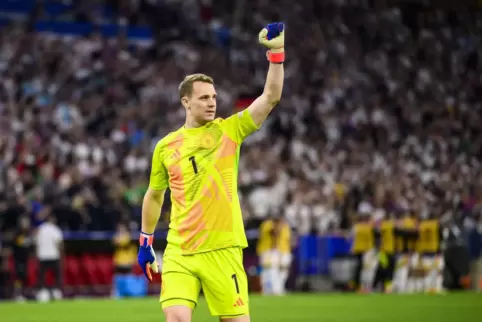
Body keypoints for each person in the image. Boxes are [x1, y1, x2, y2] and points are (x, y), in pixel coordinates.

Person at [137, 22, 285, 322]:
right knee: (176, 318)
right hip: (180, 250)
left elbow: (270, 97)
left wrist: (277, 53)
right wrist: (145, 241)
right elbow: (154, 195)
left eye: (214, 97)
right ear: (186, 102)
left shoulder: (229, 131)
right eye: (204, 98)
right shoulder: (166, 147)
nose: (212, 102)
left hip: (223, 249)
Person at [257, 214, 292, 295]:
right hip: (267, 250)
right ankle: (269, 290)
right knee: (270, 270)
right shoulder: (267, 224)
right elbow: (273, 233)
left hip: (282, 251)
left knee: (282, 270)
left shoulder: (285, 226)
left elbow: (287, 239)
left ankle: (279, 288)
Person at [35, 214, 64, 302]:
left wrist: (37, 254)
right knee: (57, 275)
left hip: (42, 256)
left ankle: (42, 292)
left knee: (41, 276)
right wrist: (62, 254)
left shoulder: (40, 229)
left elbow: (37, 243)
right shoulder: (55, 229)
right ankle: (57, 292)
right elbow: (59, 243)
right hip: (53, 255)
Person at [12, 216, 33, 301]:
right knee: (18, 277)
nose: (26, 224)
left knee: (23, 276)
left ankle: (21, 294)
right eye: (25, 223)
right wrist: (30, 240)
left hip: (24, 259)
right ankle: (17, 294)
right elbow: (21, 242)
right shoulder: (18, 233)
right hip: (18, 259)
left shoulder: (26, 233)